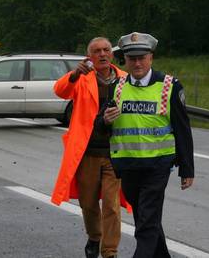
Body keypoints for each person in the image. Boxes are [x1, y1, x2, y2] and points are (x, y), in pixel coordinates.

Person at [103, 32, 195, 258]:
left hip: (158, 165)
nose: (137, 63)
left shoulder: (169, 86)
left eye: (142, 57)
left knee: (146, 222)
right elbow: (100, 122)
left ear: (151, 57)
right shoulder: (116, 85)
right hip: (128, 165)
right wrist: (105, 119)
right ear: (124, 59)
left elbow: (183, 129)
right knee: (147, 218)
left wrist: (187, 168)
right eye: (131, 58)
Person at [51, 37, 130, 258]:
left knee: (112, 206)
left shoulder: (125, 80)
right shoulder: (82, 79)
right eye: (97, 51)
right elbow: (60, 90)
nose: (102, 54)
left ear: (112, 55)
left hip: (115, 153)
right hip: (87, 153)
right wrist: (75, 74)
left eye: (106, 50)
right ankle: (95, 237)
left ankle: (109, 251)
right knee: (88, 202)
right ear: (90, 57)